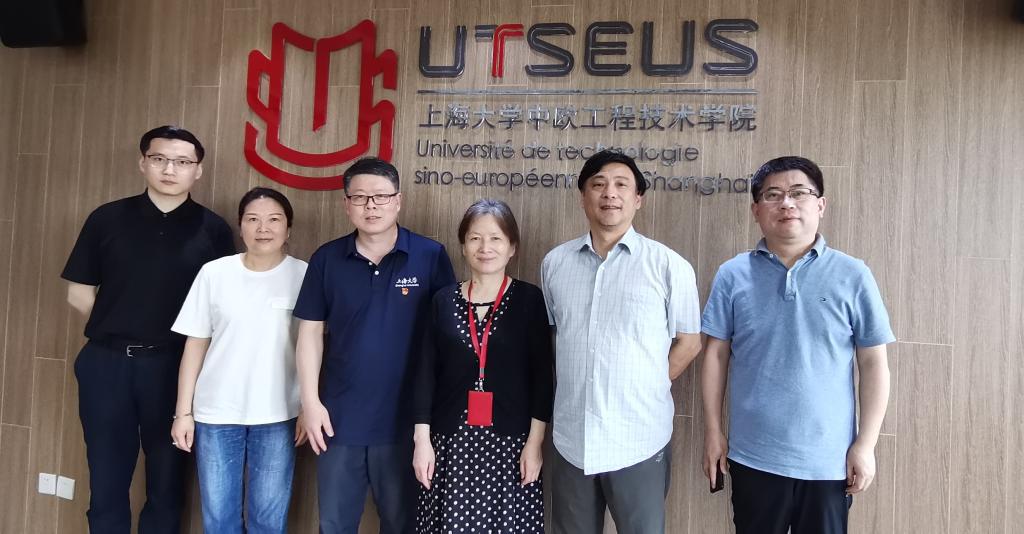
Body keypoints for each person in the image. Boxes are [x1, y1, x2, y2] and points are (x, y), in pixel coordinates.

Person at [701, 156, 894, 534]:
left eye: (799, 193)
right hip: (753, 456)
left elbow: (874, 363)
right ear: (756, 210)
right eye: (773, 195)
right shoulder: (732, 274)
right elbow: (715, 354)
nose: (786, 203)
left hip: (829, 461)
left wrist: (865, 445)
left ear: (820, 205)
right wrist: (712, 430)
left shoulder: (853, 274)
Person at [61, 125, 235, 533]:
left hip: (175, 368)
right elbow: (78, 292)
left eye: (182, 161)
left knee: (168, 483)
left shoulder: (213, 229)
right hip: (107, 364)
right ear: (143, 163)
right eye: (159, 159)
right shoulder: (107, 218)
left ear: (198, 170)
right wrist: (122, 323)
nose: (169, 169)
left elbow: (221, 307)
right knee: (106, 479)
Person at [541, 150, 702, 534]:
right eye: (598, 184)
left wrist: (649, 383)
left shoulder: (668, 266)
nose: (609, 193)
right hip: (572, 437)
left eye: (621, 185)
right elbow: (554, 333)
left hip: (638, 436)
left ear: (638, 198)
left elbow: (690, 342)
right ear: (583, 197)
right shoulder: (555, 263)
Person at [293, 157, 456, 533]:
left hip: (406, 420)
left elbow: (447, 339)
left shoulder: (429, 255)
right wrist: (311, 403)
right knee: (335, 523)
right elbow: (310, 334)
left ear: (398, 201)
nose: (371, 206)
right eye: (360, 197)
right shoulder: (326, 258)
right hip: (338, 420)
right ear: (346, 203)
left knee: (402, 523)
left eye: (381, 196)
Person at [169, 187, 308, 533]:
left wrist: (309, 406)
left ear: (288, 228)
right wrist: (183, 413)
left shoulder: (305, 276)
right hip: (216, 414)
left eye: (274, 219)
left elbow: (315, 348)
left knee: (268, 521)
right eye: (253, 219)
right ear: (241, 226)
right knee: (219, 519)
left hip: (278, 414)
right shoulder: (215, 273)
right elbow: (195, 345)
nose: (263, 228)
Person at [412, 199, 554, 533]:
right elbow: (424, 375)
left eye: (495, 239)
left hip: (511, 443)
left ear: (512, 247)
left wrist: (535, 444)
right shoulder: (442, 301)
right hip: (449, 442)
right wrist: (422, 441)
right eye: (475, 238)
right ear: (463, 246)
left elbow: (542, 378)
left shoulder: (529, 300)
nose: (485, 247)